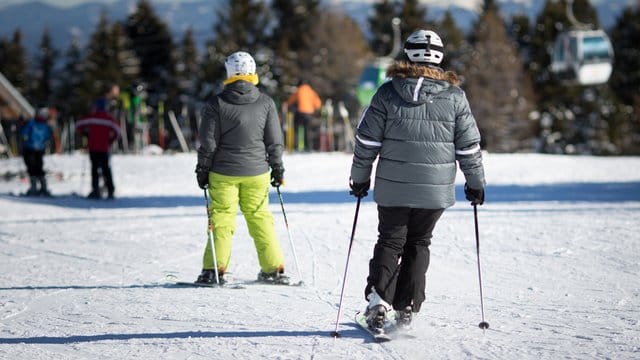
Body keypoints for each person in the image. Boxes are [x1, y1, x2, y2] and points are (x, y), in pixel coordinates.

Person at [349, 29, 486, 333]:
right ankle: (407, 306)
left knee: (390, 240)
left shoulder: (387, 92)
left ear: (408, 54)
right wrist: (475, 183)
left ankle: (378, 304)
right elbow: (468, 147)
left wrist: (359, 178)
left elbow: (367, 141)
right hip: (433, 191)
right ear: (440, 57)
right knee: (418, 242)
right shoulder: (454, 97)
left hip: (393, 187)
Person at [195, 51, 289, 285]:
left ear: (229, 72)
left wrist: (202, 169)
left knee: (222, 220)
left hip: (223, 173)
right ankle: (273, 269)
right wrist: (277, 169)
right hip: (256, 172)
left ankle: (214, 270)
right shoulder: (266, 102)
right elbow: (274, 141)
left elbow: (208, 142)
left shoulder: (216, 104)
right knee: (260, 218)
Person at [76, 98, 121, 199]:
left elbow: (78, 125)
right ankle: (110, 190)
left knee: (94, 169)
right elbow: (118, 131)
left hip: (93, 147)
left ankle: (95, 190)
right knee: (106, 169)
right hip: (104, 148)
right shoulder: (109, 119)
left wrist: (85, 134)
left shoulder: (91, 118)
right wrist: (111, 139)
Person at [20, 107, 53, 196]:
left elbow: (23, 133)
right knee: (39, 167)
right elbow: (47, 137)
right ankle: (43, 187)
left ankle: (34, 187)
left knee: (32, 168)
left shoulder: (31, 123)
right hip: (40, 149)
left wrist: (22, 124)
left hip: (29, 148)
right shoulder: (45, 125)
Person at [286, 79, 322, 151]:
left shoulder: (298, 90)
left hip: (300, 112)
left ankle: (295, 146)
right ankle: (308, 147)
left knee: (296, 129)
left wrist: (290, 106)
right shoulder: (312, 92)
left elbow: (290, 101)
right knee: (307, 130)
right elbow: (318, 104)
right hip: (309, 113)